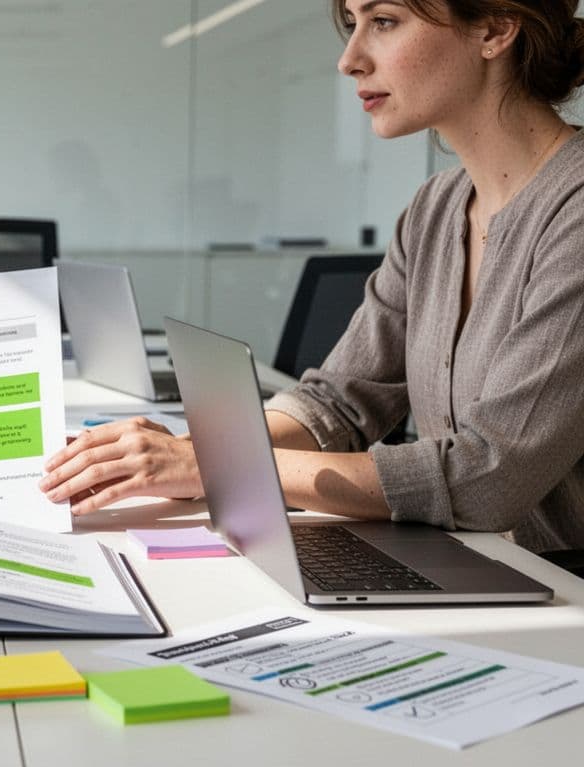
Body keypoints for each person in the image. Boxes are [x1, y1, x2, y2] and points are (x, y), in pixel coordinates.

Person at [42, 0, 584, 555]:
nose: (350, 59)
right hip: (485, 567)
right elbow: (340, 403)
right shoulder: (435, 208)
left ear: (494, 29)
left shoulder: (576, 212)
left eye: (385, 21)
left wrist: (220, 465)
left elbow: (490, 478)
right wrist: (185, 454)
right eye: (352, 24)